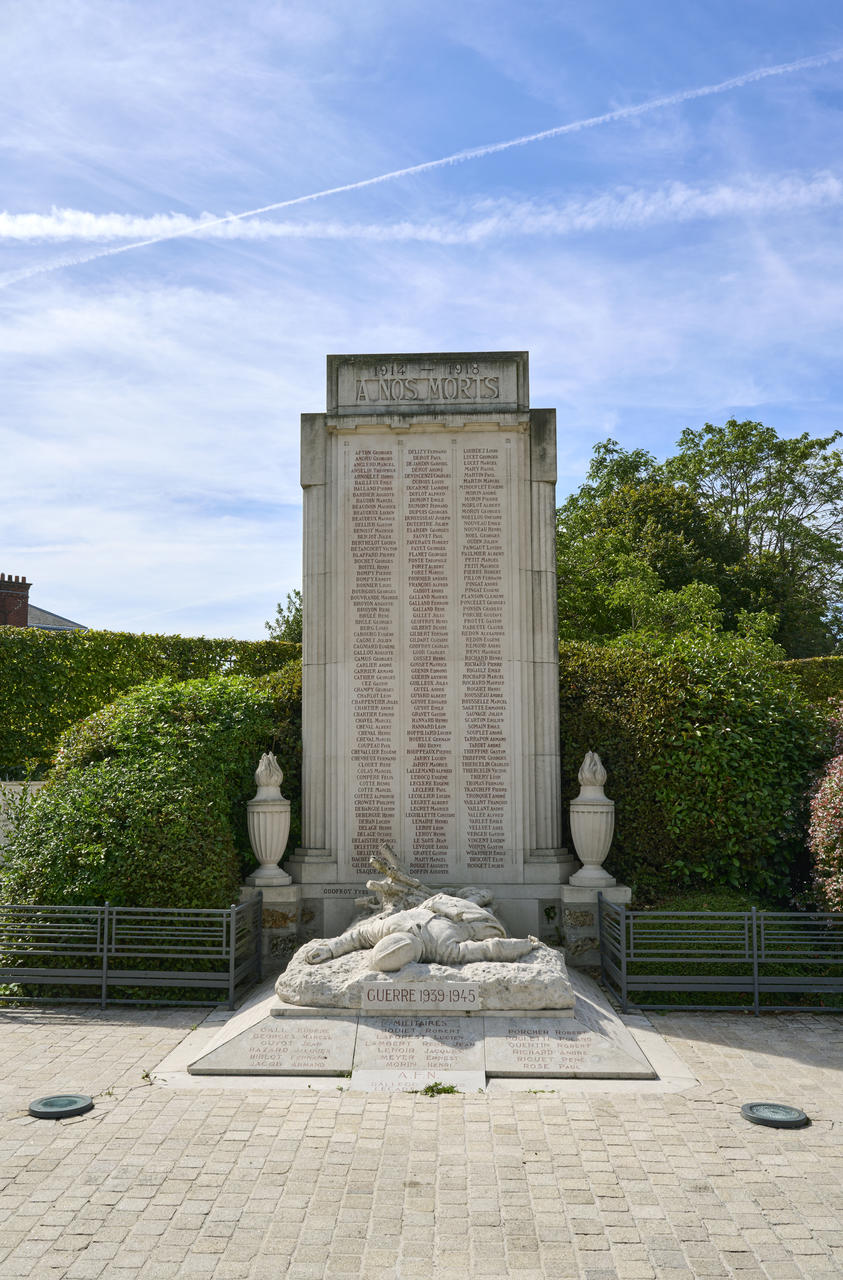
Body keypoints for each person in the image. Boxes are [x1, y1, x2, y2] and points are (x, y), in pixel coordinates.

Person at [303, 888, 537, 971]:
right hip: (477, 922)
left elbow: (357, 936)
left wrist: (330, 949)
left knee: (474, 896)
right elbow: (489, 948)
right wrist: (525, 945)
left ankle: (478, 897)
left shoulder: (388, 926)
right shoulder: (442, 950)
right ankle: (479, 898)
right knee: (484, 907)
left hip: (442, 902)